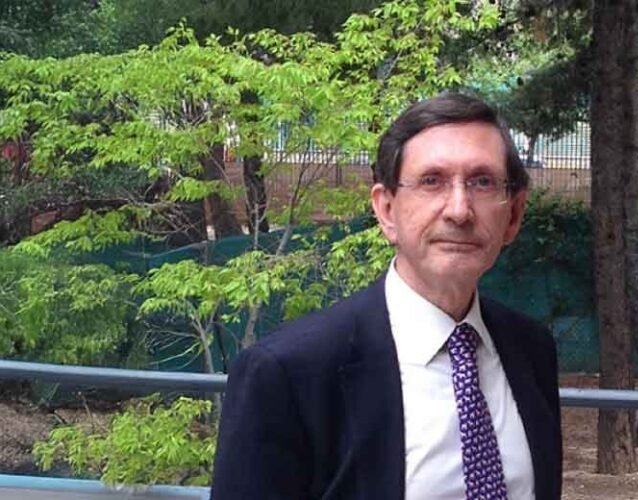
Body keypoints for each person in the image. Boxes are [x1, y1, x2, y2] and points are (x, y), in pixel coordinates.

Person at [210, 93, 562, 500]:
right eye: (432, 181)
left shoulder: (531, 350)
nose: (459, 210)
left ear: (513, 214)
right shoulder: (288, 374)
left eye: (482, 182)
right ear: (387, 210)